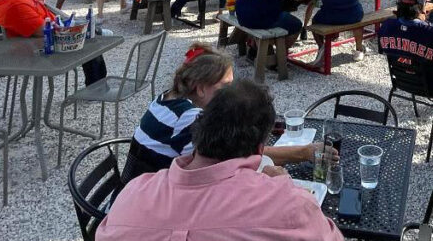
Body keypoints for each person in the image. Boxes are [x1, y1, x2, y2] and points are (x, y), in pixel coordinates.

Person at [98, 79, 344, 241]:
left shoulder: (131, 195)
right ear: (260, 150)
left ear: (199, 130)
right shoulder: (286, 204)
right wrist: (284, 186)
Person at [121, 44, 329, 185]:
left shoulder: (165, 99)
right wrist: (304, 152)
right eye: (226, 86)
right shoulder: (188, 118)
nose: (231, 93)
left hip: (138, 191)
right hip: (151, 207)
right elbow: (236, 159)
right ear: (201, 88)